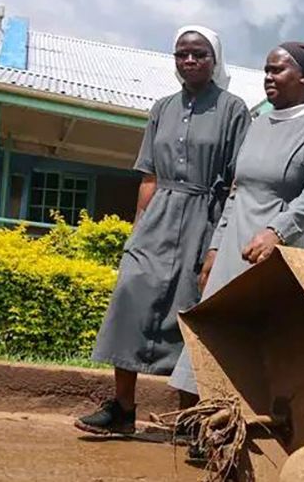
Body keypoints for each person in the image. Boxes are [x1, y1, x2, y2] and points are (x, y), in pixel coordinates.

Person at [75, 26, 251, 435]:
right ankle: (122, 409)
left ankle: (188, 420)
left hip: (204, 217)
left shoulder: (234, 110)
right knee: (131, 292)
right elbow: (149, 176)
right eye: (181, 54)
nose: (189, 61)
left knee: (189, 312)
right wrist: (137, 233)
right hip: (158, 218)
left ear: (215, 60)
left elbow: (238, 184)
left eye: (199, 54)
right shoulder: (161, 108)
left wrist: (218, 246)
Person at [168, 41, 304, 396]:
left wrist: (277, 231)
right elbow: (238, 190)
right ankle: (207, 427)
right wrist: (216, 248)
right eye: (266, 69)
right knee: (218, 331)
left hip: (285, 247)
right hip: (238, 240)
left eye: (278, 70)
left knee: (271, 337)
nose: (268, 77)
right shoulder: (259, 123)